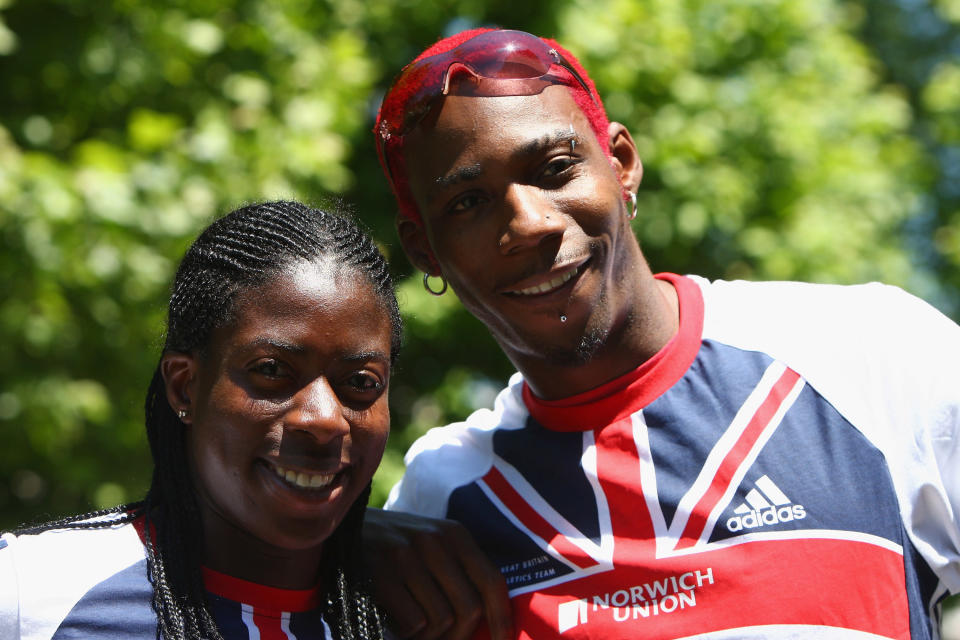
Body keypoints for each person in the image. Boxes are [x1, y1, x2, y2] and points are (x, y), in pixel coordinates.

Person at [365, 27, 960, 639]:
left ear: (621, 165)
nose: (529, 223)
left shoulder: (869, 353)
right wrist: (343, 553)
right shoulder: (443, 504)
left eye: (554, 168)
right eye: (467, 203)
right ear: (426, 253)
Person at [0, 200, 402, 640]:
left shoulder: (420, 613)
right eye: (271, 369)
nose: (325, 420)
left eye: (362, 382)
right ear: (184, 386)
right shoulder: (32, 594)